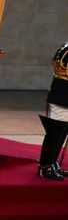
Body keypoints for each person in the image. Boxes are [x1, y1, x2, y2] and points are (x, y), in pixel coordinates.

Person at [38, 40, 68, 181]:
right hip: (62, 94)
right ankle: (45, 166)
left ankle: (53, 162)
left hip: (63, 93)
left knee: (62, 133)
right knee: (55, 133)